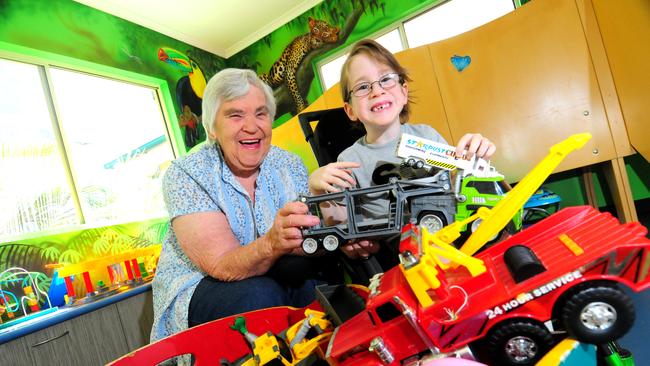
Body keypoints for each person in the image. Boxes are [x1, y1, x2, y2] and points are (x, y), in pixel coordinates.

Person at [150, 68, 338, 342]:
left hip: (268, 270)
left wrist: (339, 237)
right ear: (212, 127)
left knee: (318, 280)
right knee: (259, 297)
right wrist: (273, 242)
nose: (252, 126)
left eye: (261, 114)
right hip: (201, 283)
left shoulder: (289, 163)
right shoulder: (186, 174)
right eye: (235, 115)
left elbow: (303, 242)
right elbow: (221, 264)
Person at [309, 39, 496, 261]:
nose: (376, 91)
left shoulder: (426, 135)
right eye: (362, 87)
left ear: (404, 91)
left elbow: (459, 183)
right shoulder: (350, 159)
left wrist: (475, 158)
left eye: (386, 79)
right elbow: (339, 222)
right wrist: (318, 191)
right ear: (350, 111)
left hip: (455, 239)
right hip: (397, 254)